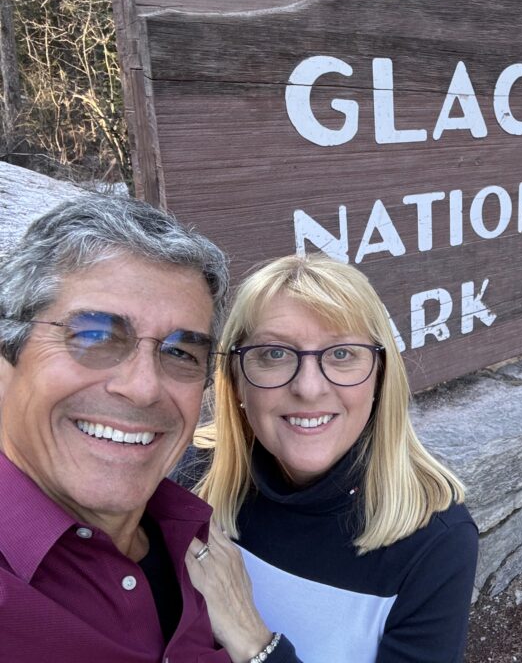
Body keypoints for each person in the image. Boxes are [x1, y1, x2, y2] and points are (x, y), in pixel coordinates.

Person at [0, 195, 296, 662]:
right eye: (94, 335)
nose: (142, 388)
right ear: (6, 357)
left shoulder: (198, 542)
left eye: (181, 352)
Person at [181, 254, 478, 663]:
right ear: (235, 381)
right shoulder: (190, 478)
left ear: (379, 376)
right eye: (274, 354)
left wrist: (252, 640)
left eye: (341, 354)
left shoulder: (434, 539)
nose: (309, 388)